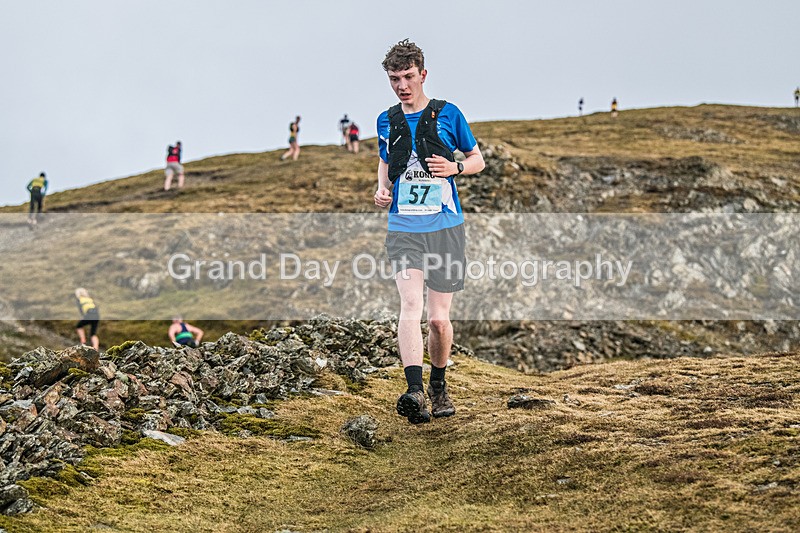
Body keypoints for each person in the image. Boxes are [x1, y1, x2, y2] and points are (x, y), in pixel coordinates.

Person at [374, 39, 485, 424]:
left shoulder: (449, 114)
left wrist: (455, 169)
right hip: (403, 228)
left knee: (438, 320)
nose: (402, 85)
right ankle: (414, 391)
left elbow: (478, 160)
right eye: (394, 79)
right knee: (409, 306)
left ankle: (438, 385)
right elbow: (386, 160)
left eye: (408, 76)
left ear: (423, 74)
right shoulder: (386, 119)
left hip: (446, 229)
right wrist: (383, 189)